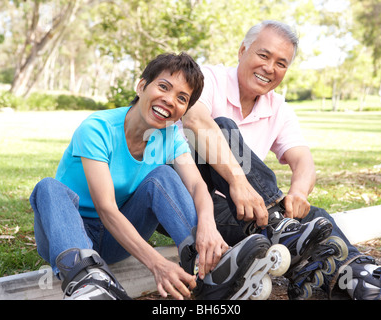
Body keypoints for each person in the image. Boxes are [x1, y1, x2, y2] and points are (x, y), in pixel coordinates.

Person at [181, 20, 381, 300]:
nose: (270, 68)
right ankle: (283, 229)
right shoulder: (209, 78)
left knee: (312, 215)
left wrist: (298, 193)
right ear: (242, 50)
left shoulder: (279, 108)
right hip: (193, 200)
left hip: (242, 214)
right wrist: (238, 181)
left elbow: (303, 160)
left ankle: (361, 277)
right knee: (222, 127)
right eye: (263, 55)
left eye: (281, 63)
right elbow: (194, 119)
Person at [29, 52, 278, 300]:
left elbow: (197, 187)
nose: (170, 100)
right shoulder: (97, 128)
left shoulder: (169, 137)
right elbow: (106, 209)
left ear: (184, 111)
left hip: (116, 240)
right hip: (68, 234)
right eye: (163, 87)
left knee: (162, 175)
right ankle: (88, 282)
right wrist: (157, 263)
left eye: (182, 98)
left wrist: (208, 227)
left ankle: (206, 263)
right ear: (141, 86)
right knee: (48, 187)